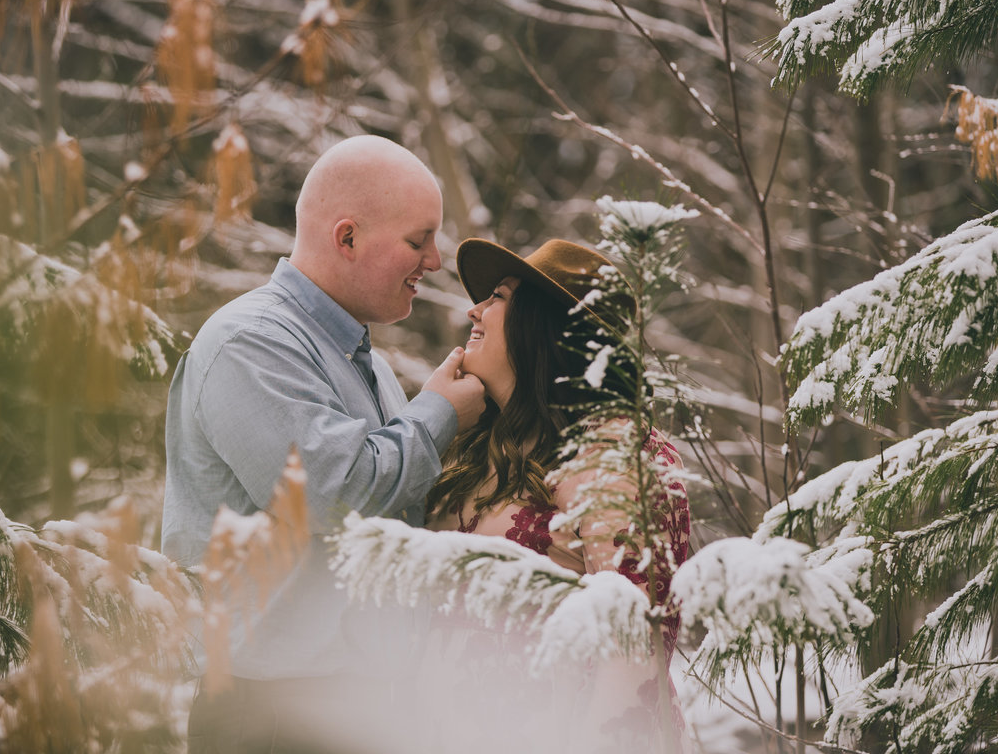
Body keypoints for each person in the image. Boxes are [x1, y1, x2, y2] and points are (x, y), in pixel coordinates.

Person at [161, 135, 486, 753]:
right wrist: (443, 413)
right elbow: (333, 494)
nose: (436, 262)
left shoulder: (369, 366)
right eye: (419, 241)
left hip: (353, 709)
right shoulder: (249, 344)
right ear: (348, 238)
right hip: (274, 718)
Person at [425, 237, 691, 750]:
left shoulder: (614, 452)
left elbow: (633, 651)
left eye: (498, 297)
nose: (473, 308)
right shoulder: (484, 449)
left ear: (544, 326)